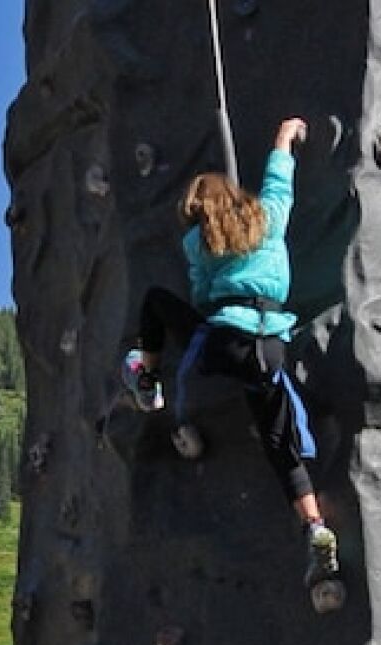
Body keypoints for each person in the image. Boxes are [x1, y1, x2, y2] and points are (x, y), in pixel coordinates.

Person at [121, 117, 337, 581]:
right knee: (282, 446)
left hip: (221, 342)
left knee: (158, 302)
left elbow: (199, 298)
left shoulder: (197, 243)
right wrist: (284, 137)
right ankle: (314, 524)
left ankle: (147, 377)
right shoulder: (271, 218)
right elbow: (280, 180)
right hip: (269, 346)